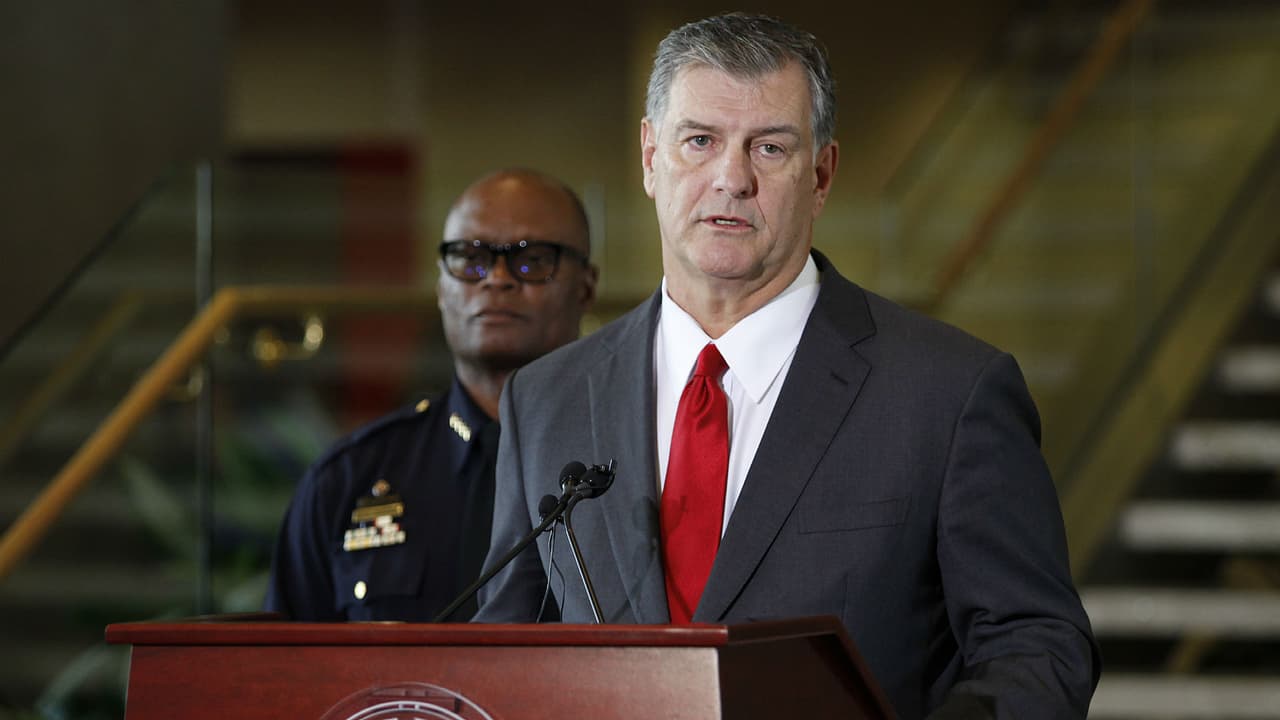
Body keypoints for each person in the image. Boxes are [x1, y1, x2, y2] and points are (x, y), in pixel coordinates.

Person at [473, 14, 1099, 719]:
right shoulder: (547, 398)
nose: (731, 178)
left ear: (821, 175)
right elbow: (502, 657)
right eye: (700, 141)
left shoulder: (950, 394)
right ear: (650, 157)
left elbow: (1038, 650)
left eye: (769, 148)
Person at [265, 168, 598, 622]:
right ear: (442, 287)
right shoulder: (351, 479)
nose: (496, 278)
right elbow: (286, 661)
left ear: (586, 287)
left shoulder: (626, 460)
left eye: (533, 260)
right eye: (470, 259)